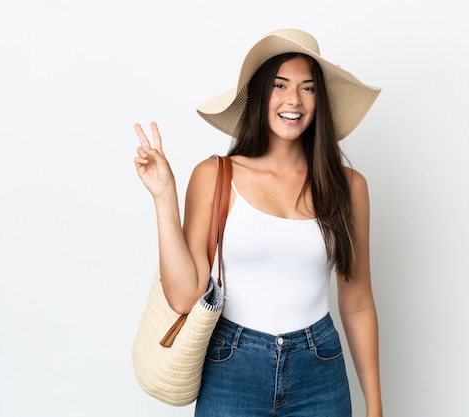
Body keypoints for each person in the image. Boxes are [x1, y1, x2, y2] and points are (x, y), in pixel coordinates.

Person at [134, 28, 382, 417]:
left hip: (319, 368)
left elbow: (358, 304)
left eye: (308, 87)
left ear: (320, 100)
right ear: (261, 95)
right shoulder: (216, 175)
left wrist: (375, 406)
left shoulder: (349, 187)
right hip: (232, 365)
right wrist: (165, 197)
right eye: (280, 85)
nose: (293, 100)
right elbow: (184, 296)